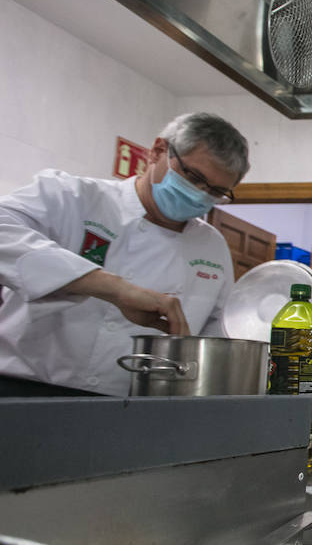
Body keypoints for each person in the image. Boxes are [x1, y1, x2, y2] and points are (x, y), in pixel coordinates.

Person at [0, 112, 250, 396]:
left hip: (130, 409)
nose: (199, 194)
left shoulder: (212, 246)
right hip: (21, 391)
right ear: (158, 151)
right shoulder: (74, 197)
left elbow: (215, 334)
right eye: (193, 177)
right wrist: (113, 288)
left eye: (215, 191)